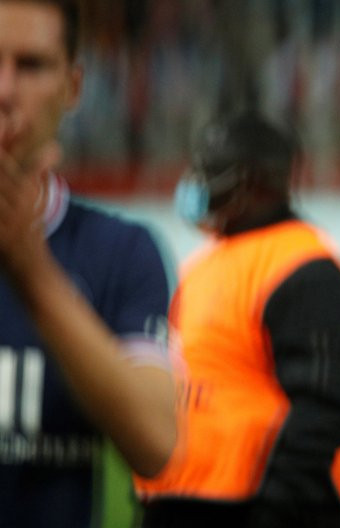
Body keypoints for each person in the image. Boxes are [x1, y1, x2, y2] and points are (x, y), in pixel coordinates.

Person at [134, 113, 340, 528]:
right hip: (185, 500)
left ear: (251, 181)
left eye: (210, 170)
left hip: (260, 509)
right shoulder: (205, 261)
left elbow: (327, 408)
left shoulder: (306, 269)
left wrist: (275, 506)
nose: (196, 180)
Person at [0, 0, 175, 526]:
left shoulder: (120, 251)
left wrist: (34, 276)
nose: (5, 91)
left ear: (73, 87)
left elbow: (156, 442)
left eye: (31, 66)